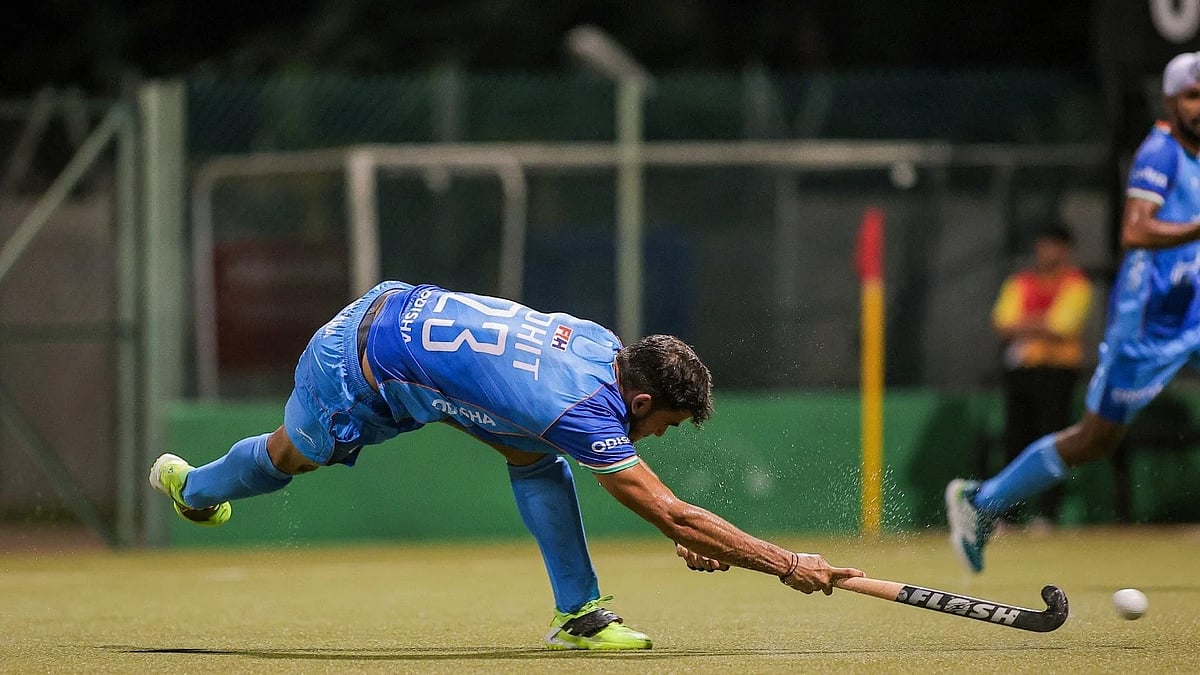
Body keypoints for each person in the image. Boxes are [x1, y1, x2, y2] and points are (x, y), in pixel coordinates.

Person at [150, 280, 865, 650]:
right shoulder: (581, 409)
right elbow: (671, 507)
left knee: (535, 454)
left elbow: (661, 505)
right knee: (291, 455)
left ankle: (579, 614)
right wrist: (784, 562)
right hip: (357, 365)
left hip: (405, 313)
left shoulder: (601, 346)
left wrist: (676, 523)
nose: (658, 437)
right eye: (664, 425)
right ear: (639, 395)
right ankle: (194, 486)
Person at [946, 50, 1200, 573]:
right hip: (1147, 326)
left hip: (1191, 314)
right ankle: (983, 501)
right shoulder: (1162, 152)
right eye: (1193, 96)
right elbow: (1135, 230)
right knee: (1095, 437)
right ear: (1172, 101)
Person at [988, 224, 1094, 529]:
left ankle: (1047, 513)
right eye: (1041, 245)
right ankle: (1009, 515)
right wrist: (1042, 324)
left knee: (1053, 441)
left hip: (1057, 372)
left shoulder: (1076, 283)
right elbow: (1002, 325)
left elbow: (1064, 326)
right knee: (1016, 441)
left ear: (1065, 249)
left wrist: (1026, 324)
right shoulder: (1020, 282)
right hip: (1021, 372)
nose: (1044, 252)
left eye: (1052, 245)